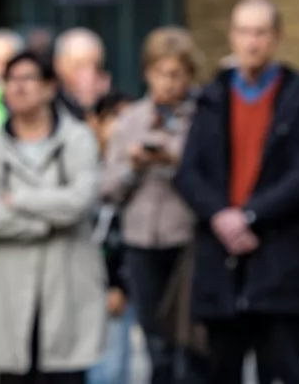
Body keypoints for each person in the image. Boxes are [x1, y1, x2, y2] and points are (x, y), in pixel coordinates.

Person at [174, 0, 299, 384]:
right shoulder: (212, 96)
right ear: (231, 37)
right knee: (220, 371)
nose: (251, 42)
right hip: (220, 261)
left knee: (285, 369)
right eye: (243, 32)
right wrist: (222, 216)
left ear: (276, 37)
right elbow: (189, 172)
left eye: (260, 33)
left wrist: (252, 215)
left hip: (278, 259)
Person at [0, 51, 105, 384]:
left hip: (67, 285)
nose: (18, 87)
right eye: (11, 80)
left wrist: (18, 200)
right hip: (8, 288)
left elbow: (79, 202)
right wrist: (46, 222)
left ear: (50, 87)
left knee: (65, 373)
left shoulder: (78, 138)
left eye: (28, 78)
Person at [104, 27, 202, 384]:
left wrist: (172, 162)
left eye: (176, 74)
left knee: (189, 346)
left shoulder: (203, 117)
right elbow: (108, 189)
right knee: (155, 344)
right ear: (147, 73)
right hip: (141, 242)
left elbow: (208, 180)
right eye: (160, 73)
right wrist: (134, 167)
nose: (168, 83)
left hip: (186, 241)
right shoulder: (129, 121)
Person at [87, 91, 135, 384]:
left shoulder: (136, 168)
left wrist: (120, 283)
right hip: (84, 281)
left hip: (124, 281)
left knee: (115, 368)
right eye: (117, 118)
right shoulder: (84, 164)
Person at [53, 28, 111, 121]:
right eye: (79, 66)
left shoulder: (114, 110)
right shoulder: (48, 112)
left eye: (97, 66)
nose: (90, 75)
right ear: (59, 66)